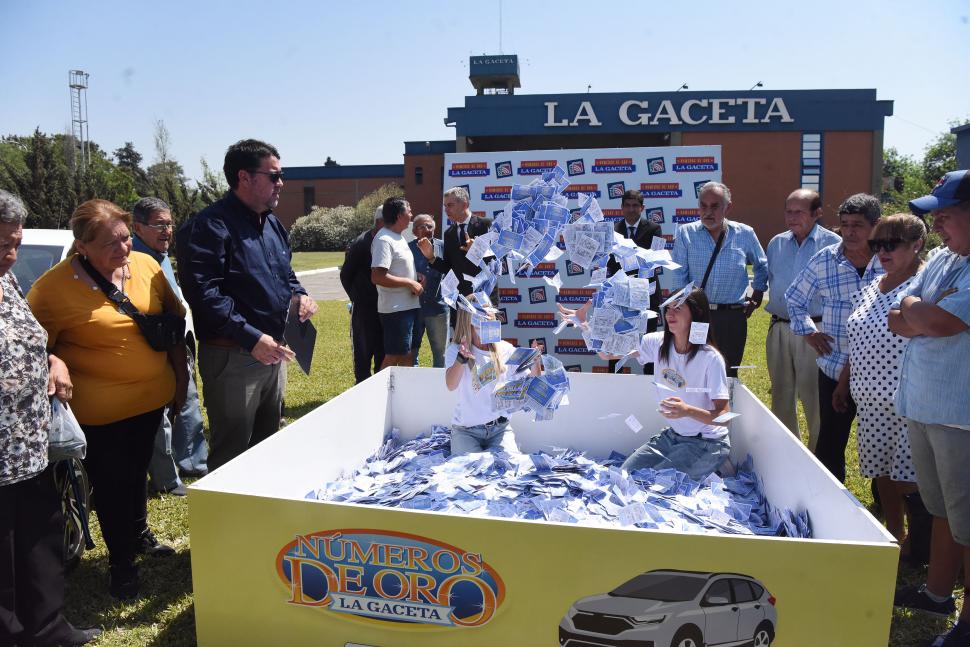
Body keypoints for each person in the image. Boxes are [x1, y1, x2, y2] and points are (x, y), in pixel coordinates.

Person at [29, 199, 188, 600]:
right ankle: (121, 566)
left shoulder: (148, 267)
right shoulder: (52, 289)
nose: (122, 249)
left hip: (152, 401)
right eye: (110, 244)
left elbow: (172, 323)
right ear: (81, 246)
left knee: (136, 474)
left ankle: (138, 535)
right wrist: (53, 362)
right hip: (99, 415)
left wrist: (181, 380)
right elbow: (31, 347)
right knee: (113, 484)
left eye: (125, 238)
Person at [176, 139, 317, 472]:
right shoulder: (209, 226)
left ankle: (263, 518)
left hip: (274, 351)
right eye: (273, 176)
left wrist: (302, 295)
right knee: (232, 454)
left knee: (268, 445)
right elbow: (204, 293)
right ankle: (228, 523)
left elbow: (287, 275)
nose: (280, 183)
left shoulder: (272, 224)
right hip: (235, 356)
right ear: (244, 177)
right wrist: (251, 337)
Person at [0, 190, 100, 646]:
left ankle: (48, 628)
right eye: (2, 244)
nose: (12, 254)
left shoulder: (7, 281)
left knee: (40, 539)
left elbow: (30, 340)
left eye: (16, 242)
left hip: (30, 445)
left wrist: (53, 361)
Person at [889, 171, 970, 647]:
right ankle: (938, 593)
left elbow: (936, 321)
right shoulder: (942, 258)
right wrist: (922, 309)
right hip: (924, 404)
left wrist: (922, 311)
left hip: (961, 414)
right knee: (942, 509)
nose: (937, 223)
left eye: (948, 214)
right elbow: (900, 313)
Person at [835, 214, 927, 559]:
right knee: (883, 472)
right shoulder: (872, 285)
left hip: (909, 398)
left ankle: (923, 545)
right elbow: (854, 341)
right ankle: (895, 535)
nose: (882, 251)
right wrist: (844, 383)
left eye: (892, 243)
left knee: (912, 477)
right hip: (868, 400)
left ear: (916, 245)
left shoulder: (923, 286)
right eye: (877, 244)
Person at [785, 193, 882, 483]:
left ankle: (883, 500)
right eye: (845, 225)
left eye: (858, 225)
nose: (850, 232)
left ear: (875, 226)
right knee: (831, 441)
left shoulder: (889, 260)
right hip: (833, 366)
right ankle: (829, 495)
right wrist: (808, 331)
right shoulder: (826, 259)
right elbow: (794, 298)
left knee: (881, 441)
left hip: (879, 373)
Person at [592, 288, 731, 481]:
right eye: (668, 308)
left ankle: (715, 465)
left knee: (656, 485)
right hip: (673, 436)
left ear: (696, 314)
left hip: (708, 443)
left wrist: (687, 410)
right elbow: (607, 353)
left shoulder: (711, 358)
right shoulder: (656, 342)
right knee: (623, 477)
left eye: (678, 308)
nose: (670, 314)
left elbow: (725, 417)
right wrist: (584, 325)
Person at [131, 197, 208, 497]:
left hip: (179, 340)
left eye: (169, 224)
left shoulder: (161, 254)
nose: (167, 231)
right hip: (153, 346)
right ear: (138, 227)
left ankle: (194, 463)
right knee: (160, 413)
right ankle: (166, 479)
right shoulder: (133, 258)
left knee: (187, 399)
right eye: (159, 225)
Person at [765, 189, 841, 450]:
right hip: (780, 327)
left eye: (799, 211)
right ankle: (788, 451)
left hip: (815, 331)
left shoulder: (833, 245)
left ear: (817, 213)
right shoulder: (776, 243)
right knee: (781, 395)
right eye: (789, 211)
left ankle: (817, 456)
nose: (792, 217)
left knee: (814, 397)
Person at [670, 181, 767, 377]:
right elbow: (679, 277)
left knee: (728, 373)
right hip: (697, 316)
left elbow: (762, 265)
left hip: (732, 318)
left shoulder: (745, 233)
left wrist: (756, 295)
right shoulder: (685, 233)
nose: (708, 212)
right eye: (703, 206)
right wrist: (683, 312)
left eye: (715, 206)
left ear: (727, 207)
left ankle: (725, 407)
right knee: (693, 371)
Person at [445, 297, 538, 455]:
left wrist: (535, 362)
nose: (484, 321)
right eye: (478, 317)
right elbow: (451, 385)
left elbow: (531, 384)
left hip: (500, 430)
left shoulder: (505, 348)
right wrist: (461, 359)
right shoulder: (455, 349)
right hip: (466, 431)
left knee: (509, 472)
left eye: (487, 315)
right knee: (467, 476)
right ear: (468, 320)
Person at [606, 189, 663, 374]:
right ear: (621, 208)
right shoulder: (612, 230)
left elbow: (654, 259)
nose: (631, 209)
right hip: (619, 295)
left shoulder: (654, 229)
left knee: (648, 342)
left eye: (635, 206)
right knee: (615, 343)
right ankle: (613, 383)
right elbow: (609, 262)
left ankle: (649, 384)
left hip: (646, 295)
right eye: (628, 205)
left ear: (642, 208)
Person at [371, 197, 422, 368]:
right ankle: (379, 393)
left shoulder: (398, 237)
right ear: (400, 215)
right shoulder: (384, 239)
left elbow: (398, 269)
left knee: (407, 355)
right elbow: (377, 277)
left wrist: (417, 277)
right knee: (394, 356)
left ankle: (404, 393)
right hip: (395, 310)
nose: (411, 214)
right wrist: (409, 283)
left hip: (408, 307)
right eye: (409, 211)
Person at [416, 186, 493, 298]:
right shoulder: (449, 233)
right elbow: (449, 268)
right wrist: (431, 257)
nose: (446, 210)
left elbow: (499, 260)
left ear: (465, 204)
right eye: (445, 206)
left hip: (483, 294)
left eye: (450, 205)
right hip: (459, 297)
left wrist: (478, 251)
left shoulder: (486, 225)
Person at [340, 207, 385, 383]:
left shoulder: (386, 240)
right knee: (363, 352)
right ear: (380, 222)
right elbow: (346, 274)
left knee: (382, 350)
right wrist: (356, 297)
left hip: (384, 306)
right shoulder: (361, 243)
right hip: (364, 308)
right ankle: (361, 387)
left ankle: (379, 388)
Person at [409, 214, 448, 368]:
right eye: (421, 227)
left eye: (430, 226)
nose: (426, 229)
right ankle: (412, 385)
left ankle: (439, 388)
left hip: (438, 308)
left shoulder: (444, 247)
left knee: (441, 354)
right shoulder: (407, 248)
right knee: (411, 351)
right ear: (414, 231)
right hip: (413, 307)